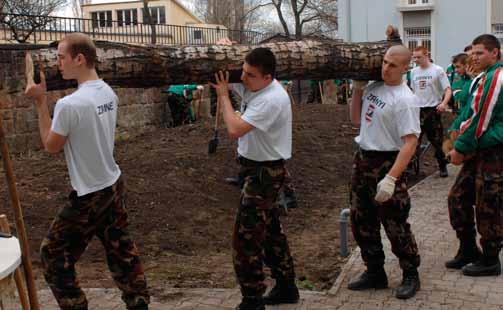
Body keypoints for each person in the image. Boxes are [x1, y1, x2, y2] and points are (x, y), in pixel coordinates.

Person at [24, 33, 150, 309]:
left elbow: (50, 146)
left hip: (90, 194)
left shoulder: (70, 104)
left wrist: (41, 102)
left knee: (53, 255)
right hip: (113, 183)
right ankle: (139, 304)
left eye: (60, 57)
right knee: (122, 252)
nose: (57, 63)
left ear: (79, 59)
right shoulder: (108, 92)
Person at [210, 47, 298, 310]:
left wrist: (223, 97)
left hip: (264, 175)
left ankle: (252, 300)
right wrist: (228, 46)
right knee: (271, 233)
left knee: (245, 238)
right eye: (243, 71)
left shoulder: (271, 99)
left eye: (249, 74)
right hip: (256, 170)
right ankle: (286, 288)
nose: (242, 78)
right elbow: (241, 86)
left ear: (267, 77)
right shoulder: (258, 87)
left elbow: (235, 129)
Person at [347, 45, 421, 299]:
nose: (385, 68)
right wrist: (357, 89)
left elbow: (410, 143)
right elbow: (356, 119)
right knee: (361, 220)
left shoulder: (405, 100)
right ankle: (375, 272)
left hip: (389, 162)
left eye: (392, 65)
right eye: (385, 62)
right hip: (364, 159)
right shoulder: (374, 87)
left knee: (395, 223)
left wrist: (391, 179)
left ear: (405, 68)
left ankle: (411, 273)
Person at [447, 34, 503, 277]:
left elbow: (480, 121)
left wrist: (460, 148)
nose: (474, 57)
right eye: (472, 53)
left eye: (480, 53)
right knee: (457, 196)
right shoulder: (483, 77)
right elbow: (470, 110)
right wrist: (455, 133)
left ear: (495, 53)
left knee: (488, 204)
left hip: (493, 153)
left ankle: (490, 259)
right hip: (479, 149)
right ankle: (468, 249)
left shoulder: (496, 77)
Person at [410, 46, 452, 177]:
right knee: (413, 140)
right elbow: (412, 90)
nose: (416, 60)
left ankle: (442, 165)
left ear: (426, 55)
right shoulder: (413, 72)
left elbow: (448, 89)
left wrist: (444, 103)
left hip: (433, 110)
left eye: (419, 57)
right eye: (414, 57)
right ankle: (410, 166)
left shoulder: (437, 70)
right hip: (417, 110)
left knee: (437, 141)